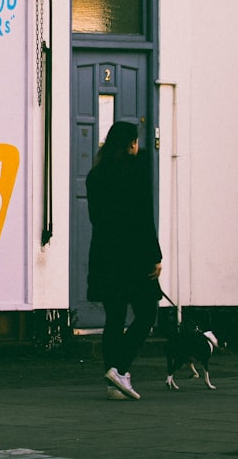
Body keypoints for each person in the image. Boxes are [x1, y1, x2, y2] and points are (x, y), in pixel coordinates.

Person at [85, 121, 162, 400]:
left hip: (106, 255)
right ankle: (120, 368)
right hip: (133, 257)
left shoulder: (95, 176)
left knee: (114, 318)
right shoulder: (136, 174)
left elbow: (96, 218)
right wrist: (154, 257)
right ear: (130, 144)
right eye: (136, 142)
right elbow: (144, 219)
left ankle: (113, 383)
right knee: (146, 314)